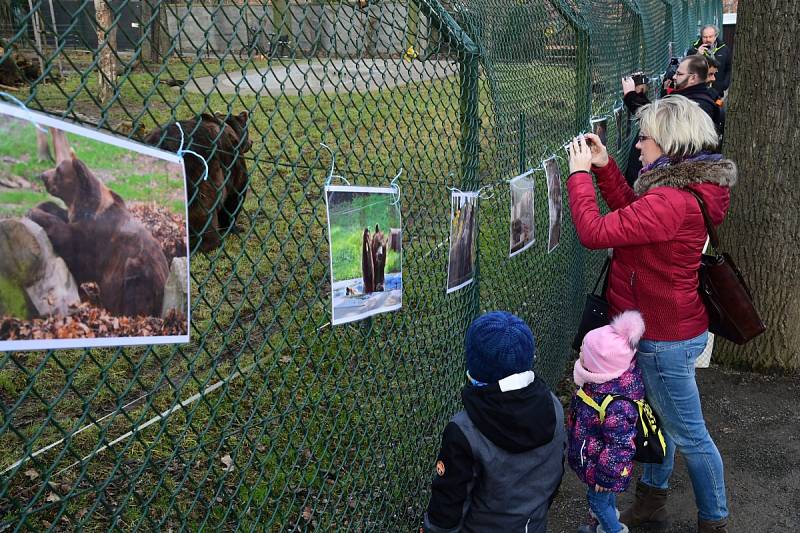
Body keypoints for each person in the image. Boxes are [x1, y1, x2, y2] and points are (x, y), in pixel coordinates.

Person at [565, 95, 737, 533]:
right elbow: (631, 215)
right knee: (659, 417)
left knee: (690, 434)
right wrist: (604, 169)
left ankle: (714, 521)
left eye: (644, 138)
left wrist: (580, 176)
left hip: (664, 336)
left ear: (669, 143)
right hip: (669, 326)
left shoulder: (672, 201)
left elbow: (594, 231)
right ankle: (651, 502)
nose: (638, 146)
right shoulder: (677, 188)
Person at [422, 311, 566, 533]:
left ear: (474, 363)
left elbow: (447, 508)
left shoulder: (464, 430)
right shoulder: (553, 405)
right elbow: (556, 471)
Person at [568, 310, 647, 533]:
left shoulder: (616, 405)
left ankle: (612, 529)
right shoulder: (607, 386)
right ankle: (605, 525)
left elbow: (620, 445)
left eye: (584, 353)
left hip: (602, 467)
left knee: (598, 503)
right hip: (598, 463)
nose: (580, 354)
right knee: (606, 499)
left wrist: (605, 475)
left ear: (599, 367)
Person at [687, 24, 732, 100]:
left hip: (718, 92)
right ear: (701, 37)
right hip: (699, 93)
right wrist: (698, 55)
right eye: (705, 37)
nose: (707, 39)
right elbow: (688, 69)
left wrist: (724, 84)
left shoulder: (724, 49)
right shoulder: (693, 50)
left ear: (715, 36)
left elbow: (729, 68)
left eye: (710, 37)